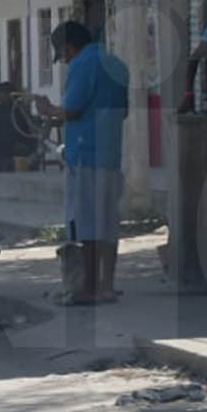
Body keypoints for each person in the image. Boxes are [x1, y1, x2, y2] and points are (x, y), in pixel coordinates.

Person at [34, 21, 130, 305]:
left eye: (63, 54)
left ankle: (89, 288)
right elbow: (122, 111)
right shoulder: (117, 64)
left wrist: (48, 110)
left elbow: (73, 109)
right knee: (108, 222)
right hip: (111, 154)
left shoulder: (82, 65)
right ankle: (106, 285)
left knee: (88, 225)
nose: (64, 60)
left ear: (69, 47)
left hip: (85, 153)